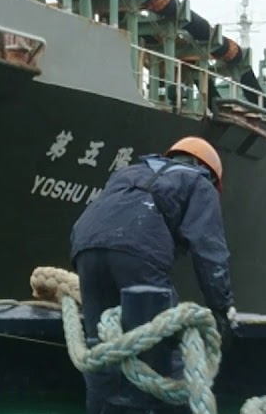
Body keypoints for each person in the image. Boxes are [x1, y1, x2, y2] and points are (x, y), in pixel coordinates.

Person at [69, 136, 235, 349]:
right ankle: (165, 379)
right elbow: (209, 253)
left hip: (85, 247)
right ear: (207, 171)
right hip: (139, 251)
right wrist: (222, 309)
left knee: (98, 344)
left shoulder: (128, 172)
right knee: (162, 339)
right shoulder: (200, 182)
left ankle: (102, 382)